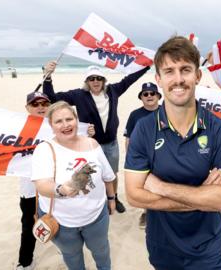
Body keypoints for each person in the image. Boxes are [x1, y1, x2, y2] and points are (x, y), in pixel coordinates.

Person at [124, 36, 221, 269]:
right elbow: (134, 196)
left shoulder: (217, 127)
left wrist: (161, 187)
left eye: (185, 69)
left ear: (197, 75)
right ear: (158, 79)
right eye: (169, 71)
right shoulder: (144, 128)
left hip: (210, 246)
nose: (178, 79)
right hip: (163, 247)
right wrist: (204, 195)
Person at [43, 61, 150, 213]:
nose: (95, 81)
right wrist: (47, 77)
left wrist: (146, 65)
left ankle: (114, 197)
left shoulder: (113, 91)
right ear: (87, 82)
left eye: (99, 78)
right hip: (90, 145)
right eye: (91, 79)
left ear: (103, 80)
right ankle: (100, 199)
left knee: (112, 174)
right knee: (90, 175)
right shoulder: (79, 95)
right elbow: (52, 98)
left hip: (111, 143)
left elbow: (130, 79)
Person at [31, 101, 116, 270]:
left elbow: (108, 176)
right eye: (59, 121)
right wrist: (61, 190)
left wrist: (112, 198)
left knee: (101, 250)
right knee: (71, 255)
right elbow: (42, 184)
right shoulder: (44, 149)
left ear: (76, 120)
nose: (65, 125)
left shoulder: (92, 144)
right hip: (62, 222)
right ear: (51, 125)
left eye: (69, 119)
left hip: (96, 216)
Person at [16, 91, 51, 270]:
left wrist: (88, 131)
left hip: (53, 188)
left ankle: (64, 249)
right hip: (30, 189)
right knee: (28, 225)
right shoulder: (17, 127)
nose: (40, 108)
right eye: (35, 104)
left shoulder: (56, 125)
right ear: (27, 107)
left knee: (59, 221)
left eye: (44, 104)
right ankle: (25, 261)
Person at [123, 82, 161, 229]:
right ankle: (147, 212)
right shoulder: (135, 115)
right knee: (145, 187)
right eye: (145, 94)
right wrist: (130, 158)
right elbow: (128, 139)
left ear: (158, 96)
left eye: (152, 93)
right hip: (143, 158)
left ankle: (161, 211)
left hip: (164, 155)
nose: (149, 96)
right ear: (141, 98)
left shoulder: (168, 111)